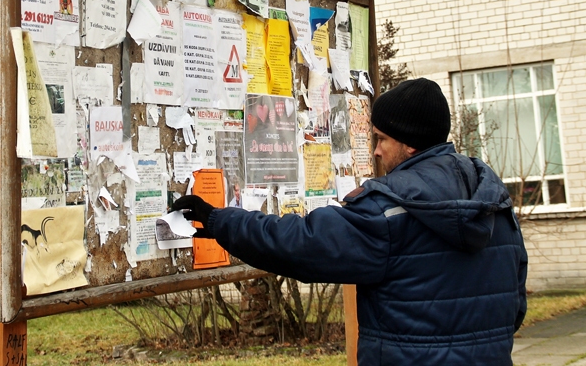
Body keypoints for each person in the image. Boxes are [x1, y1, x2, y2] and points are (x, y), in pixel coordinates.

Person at [173, 78, 527, 366]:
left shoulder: (390, 211)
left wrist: (221, 221)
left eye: (381, 139)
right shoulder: (493, 201)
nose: (375, 150)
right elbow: (515, 308)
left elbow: (300, 244)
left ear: (410, 144)